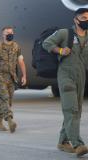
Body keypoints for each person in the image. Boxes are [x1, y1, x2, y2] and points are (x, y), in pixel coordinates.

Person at [42, 8, 88, 157]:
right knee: (71, 110)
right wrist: (60, 51)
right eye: (84, 17)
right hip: (66, 75)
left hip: (81, 76)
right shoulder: (65, 33)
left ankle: (63, 141)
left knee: (76, 111)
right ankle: (78, 144)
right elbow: (46, 43)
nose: (86, 20)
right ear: (76, 20)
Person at [0, 26, 26, 133]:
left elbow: (21, 61)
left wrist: (24, 75)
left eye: (11, 32)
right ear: (3, 35)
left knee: (7, 101)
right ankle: (10, 121)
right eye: (7, 32)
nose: (10, 34)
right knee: (5, 97)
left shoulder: (16, 46)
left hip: (11, 77)